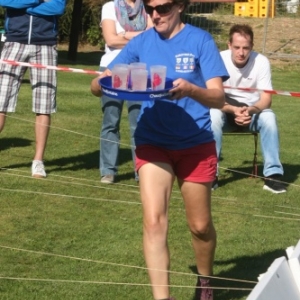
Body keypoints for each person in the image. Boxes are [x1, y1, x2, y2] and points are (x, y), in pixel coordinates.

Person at [91, 0, 229, 298]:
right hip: (152, 140)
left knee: (200, 226)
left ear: (180, 6)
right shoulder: (142, 41)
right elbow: (105, 78)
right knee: (154, 221)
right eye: (150, 7)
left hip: (195, 142)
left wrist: (191, 89)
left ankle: (205, 281)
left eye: (163, 7)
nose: (155, 14)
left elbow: (218, 97)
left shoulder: (200, 40)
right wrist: (100, 83)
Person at [210, 24, 286, 194]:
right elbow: (211, 98)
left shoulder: (261, 61)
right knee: (212, 115)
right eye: (237, 47)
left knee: (269, 118)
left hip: (253, 112)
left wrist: (249, 110)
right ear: (229, 45)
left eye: (246, 48)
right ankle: (210, 174)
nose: (241, 52)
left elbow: (266, 99)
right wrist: (233, 110)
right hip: (225, 111)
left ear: (252, 46)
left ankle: (273, 176)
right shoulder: (218, 59)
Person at [0, 0, 66, 178]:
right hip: (14, 42)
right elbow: (6, 2)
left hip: (45, 45)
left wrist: (23, 4)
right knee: (1, 102)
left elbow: (57, 7)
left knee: (44, 106)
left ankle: (38, 162)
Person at [98, 0, 153, 184]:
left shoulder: (148, 7)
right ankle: (108, 171)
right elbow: (111, 39)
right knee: (110, 122)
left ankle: (141, 170)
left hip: (139, 69)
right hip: (110, 70)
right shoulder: (109, 7)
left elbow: (152, 37)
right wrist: (139, 37)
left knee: (138, 122)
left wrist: (126, 34)